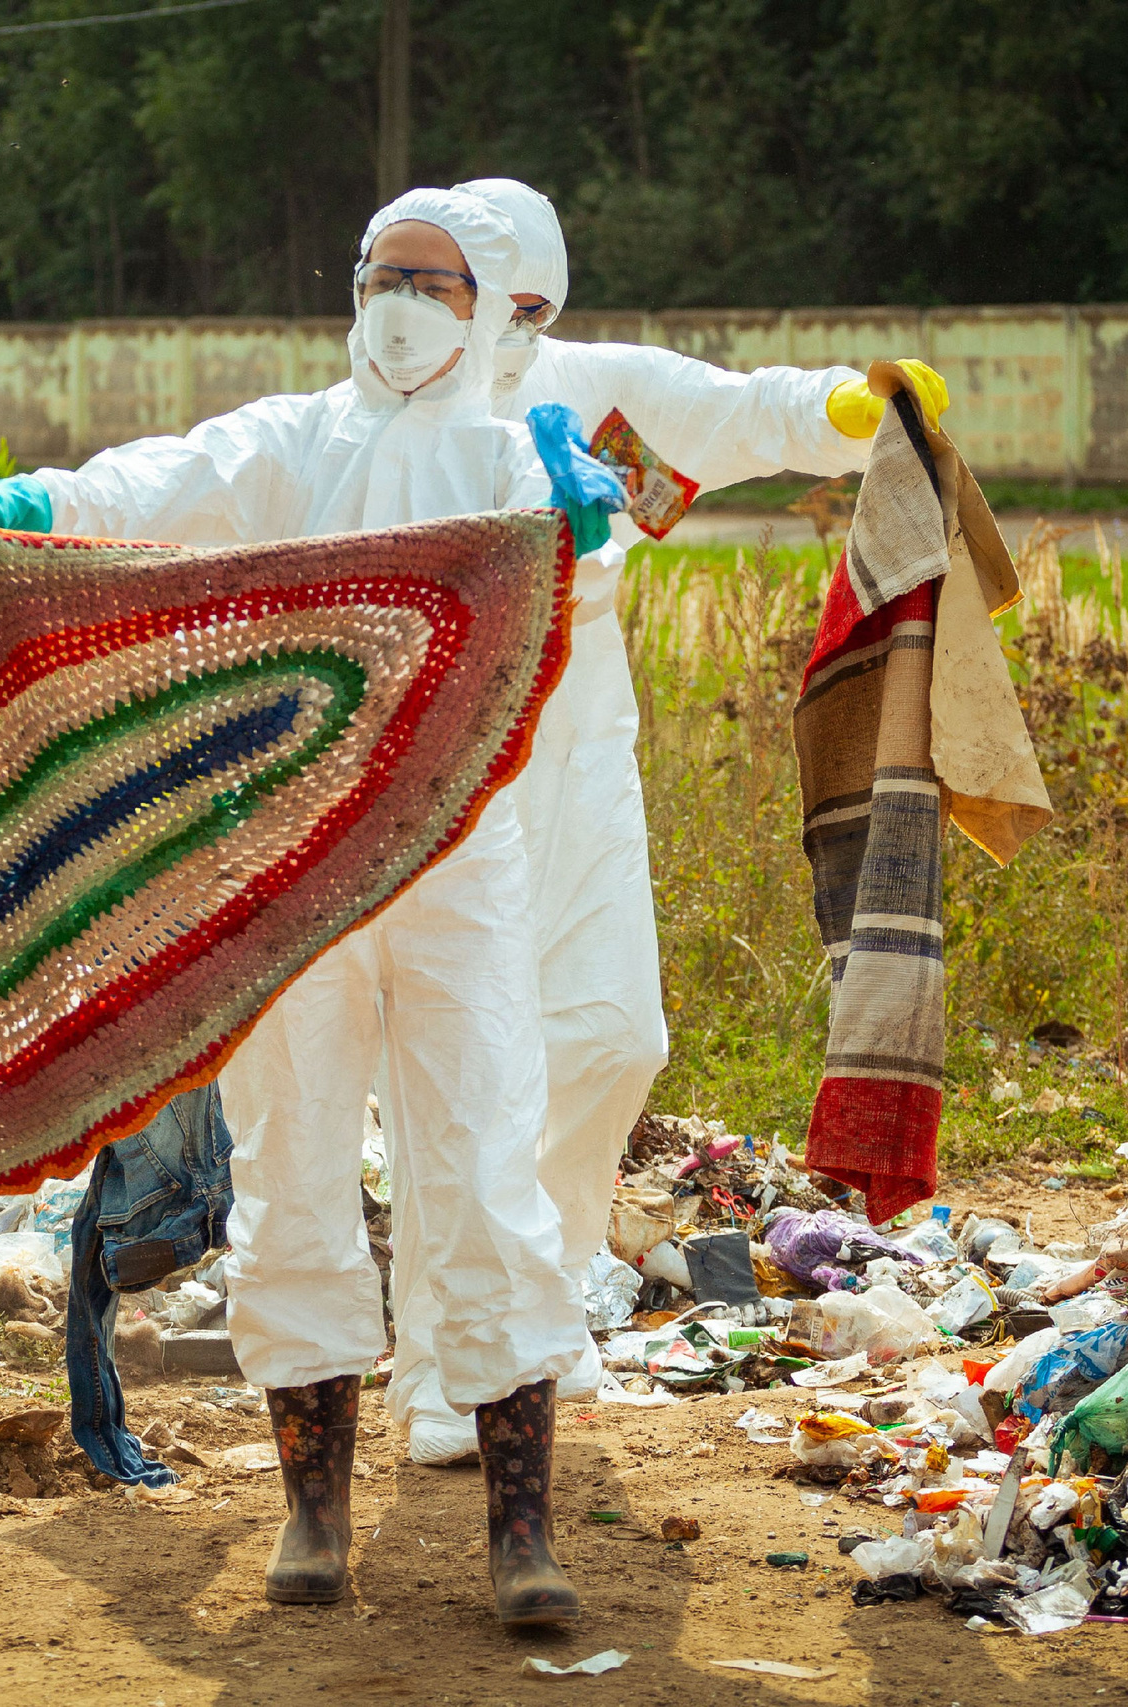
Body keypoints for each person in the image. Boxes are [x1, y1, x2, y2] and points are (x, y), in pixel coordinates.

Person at [0, 186, 617, 1630]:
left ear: (487, 305)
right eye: (384, 271)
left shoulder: (511, 452)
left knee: (485, 1168)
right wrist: (37, 505)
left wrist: (576, 510)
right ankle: (313, 1508)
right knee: (293, 1161)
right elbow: (157, 481)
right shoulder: (287, 442)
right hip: (284, 874)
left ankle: (522, 1531)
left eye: (436, 279)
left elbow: (587, 560)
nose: (405, 298)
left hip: (458, 875)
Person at [382, 175, 955, 1467]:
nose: (436, 314)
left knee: (611, 1034)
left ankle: (541, 1300)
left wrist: (856, 409)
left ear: (531, 300)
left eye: (475, 293)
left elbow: (748, 414)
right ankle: (435, 1366)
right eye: (414, 285)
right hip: (437, 758)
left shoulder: (596, 388)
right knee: (451, 1071)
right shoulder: (376, 413)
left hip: (580, 744)